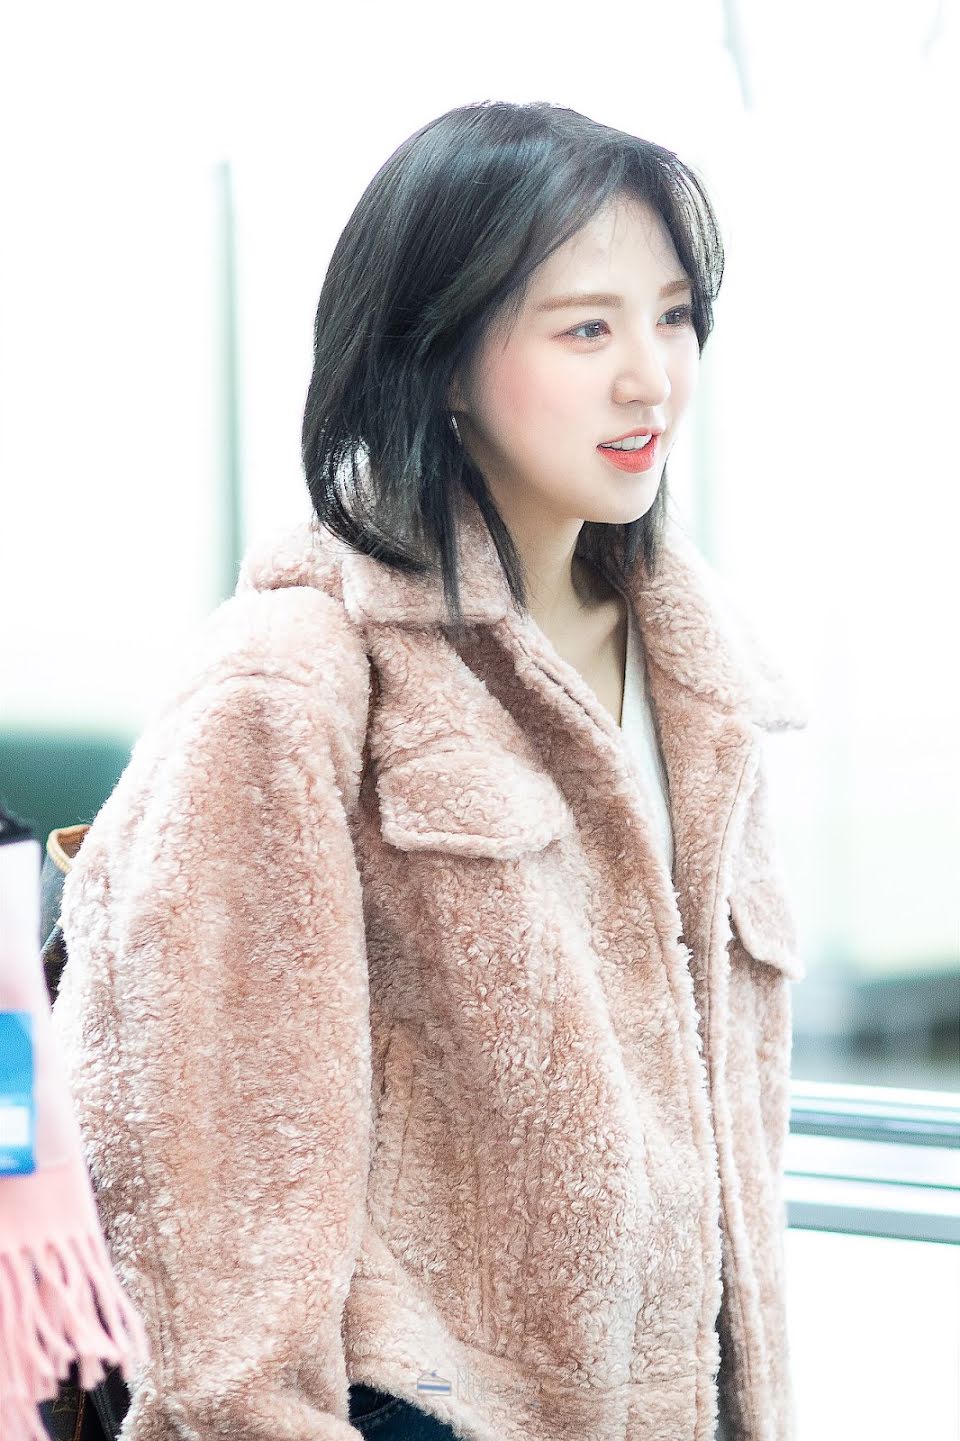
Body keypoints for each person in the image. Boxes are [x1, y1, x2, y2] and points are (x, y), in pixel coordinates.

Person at [51, 100, 809, 1441]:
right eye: (586, 329)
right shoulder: (291, 680)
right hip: (422, 1408)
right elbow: (217, 1201)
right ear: (445, 360)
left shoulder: (708, 684)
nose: (651, 378)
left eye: (674, 316)